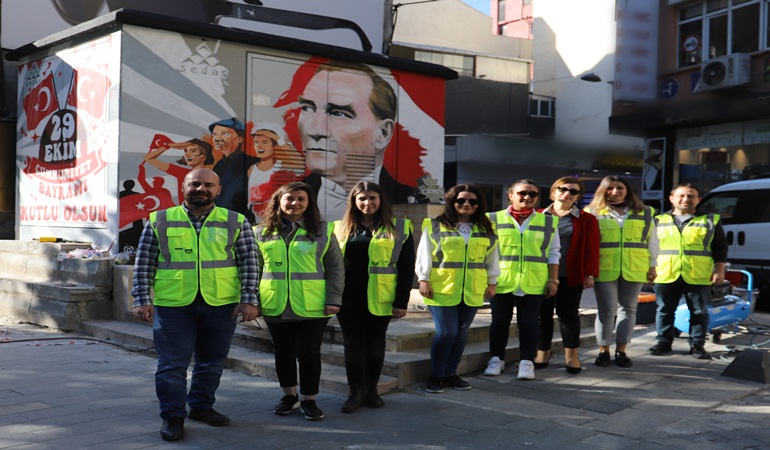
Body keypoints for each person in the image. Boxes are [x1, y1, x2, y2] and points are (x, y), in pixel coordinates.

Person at [131, 168, 259, 442]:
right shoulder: (160, 220)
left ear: (218, 189)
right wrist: (141, 298)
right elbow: (144, 262)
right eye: (195, 184)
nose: (201, 189)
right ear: (184, 187)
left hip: (221, 304)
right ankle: (173, 417)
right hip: (174, 305)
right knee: (171, 365)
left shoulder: (236, 221)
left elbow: (250, 261)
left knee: (211, 362)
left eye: (207, 185)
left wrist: (249, 299)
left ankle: (201, 407)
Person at [255, 181, 344, 421]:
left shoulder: (323, 231)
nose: (294, 203)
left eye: (301, 199)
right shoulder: (260, 232)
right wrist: (253, 301)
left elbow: (335, 268)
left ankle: (309, 399)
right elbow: (255, 269)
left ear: (308, 203)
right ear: (279, 201)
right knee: (282, 352)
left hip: (313, 305)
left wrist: (334, 299)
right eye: (289, 198)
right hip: (275, 302)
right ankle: (289, 396)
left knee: (309, 353)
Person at [333, 181, 415, 413]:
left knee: (376, 344)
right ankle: (355, 391)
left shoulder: (400, 227)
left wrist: (401, 302)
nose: (367, 203)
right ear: (354, 202)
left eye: (372, 198)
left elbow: (406, 267)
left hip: (382, 296)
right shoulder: (340, 228)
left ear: (381, 200)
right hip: (348, 297)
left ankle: (371, 389)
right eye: (362, 198)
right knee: (353, 344)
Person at [296, 60, 411, 219]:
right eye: (307, 108)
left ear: (383, 133)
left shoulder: (409, 200)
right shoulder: (292, 197)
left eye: (339, 113)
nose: (314, 130)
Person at [416, 184, 499, 393]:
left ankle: (450, 374)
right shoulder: (435, 225)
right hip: (441, 287)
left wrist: (492, 282)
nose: (466, 204)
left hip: (472, 288)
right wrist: (423, 278)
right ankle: (435, 376)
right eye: (461, 200)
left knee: (461, 333)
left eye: (472, 201)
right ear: (452, 202)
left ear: (479, 205)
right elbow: (424, 253)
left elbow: (492, 258)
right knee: (446, 332)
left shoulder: (486, 229)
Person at [484, 179, 560, 380]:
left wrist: (553, 280)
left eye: (533, 194)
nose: (527, 197)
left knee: (529, 323)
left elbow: (553, 253)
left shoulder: (549, 221)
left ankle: (527, 362)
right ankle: (496, 359)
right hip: (501, 280)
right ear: (511, 195)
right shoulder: (492, 219)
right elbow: (484, 251)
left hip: (533, 280)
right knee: (499, 322)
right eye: (522, 193)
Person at [585, 175, 658, 369]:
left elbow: (652, 241)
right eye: (610, 188)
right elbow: (588, 244)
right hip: (604, 267)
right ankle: (603, 351)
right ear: (603, 190)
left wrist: (652, 266)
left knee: (629, 309)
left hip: (635, 266)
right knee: (607, 310)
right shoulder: (591, 212)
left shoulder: (645, 212)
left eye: (620, 188)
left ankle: (622, 350)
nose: (615, 191)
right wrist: (588, 271)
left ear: (627, 191)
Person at [649, 183, 727, 359]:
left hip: (698, 273)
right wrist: (649, 269)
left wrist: (719, 270)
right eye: (681, 195)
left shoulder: (710, 220)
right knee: (664, 310)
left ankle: (697, 344)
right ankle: (663, 342)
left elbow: (720, 248)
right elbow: (649, 248)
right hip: (666, 272)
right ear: (671, 198)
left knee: (699, 311)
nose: (686, 199)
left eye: (691, 196)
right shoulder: (658, 220)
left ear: (698, 199)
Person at [534, 177, 600, 374]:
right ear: (553, 191)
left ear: (578, 196)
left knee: (568, 316)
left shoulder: (587, 219)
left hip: (570, 274)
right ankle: (542, 351)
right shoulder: (537, 215)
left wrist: (590, 274)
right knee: (541, 315)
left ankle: (571, 356)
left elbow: (592, 248)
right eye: (562, 189)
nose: (567, 193)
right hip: (539, 274)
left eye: (573, 191)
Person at [210, 117, 259, 218]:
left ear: (240, 139)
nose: (217, 138)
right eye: (214, 134)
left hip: (240, 220)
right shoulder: (219, 165)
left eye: (225, 133)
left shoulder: (252, 163)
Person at [143, 138, 215, 203]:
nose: (187, 154)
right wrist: (168, 146)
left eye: (193, 151)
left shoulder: (214, 175)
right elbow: (148, 158)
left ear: (203, 156)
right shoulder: (181, 173)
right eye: (186, 151)